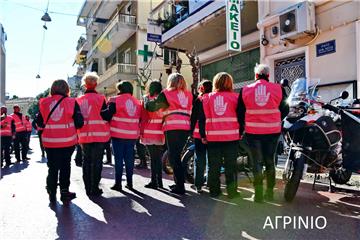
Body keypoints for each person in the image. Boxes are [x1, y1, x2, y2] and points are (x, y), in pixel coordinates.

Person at [238, 64, 289, 203]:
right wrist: (276, 119)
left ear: (255, 76)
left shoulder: (245, 90)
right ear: (268, 76)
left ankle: (258, 194)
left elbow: (240, 112)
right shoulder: (278, 89)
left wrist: (244, 125)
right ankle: (270, 193)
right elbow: (286, 109)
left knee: (256, 163)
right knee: (270, 161)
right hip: (272, 132)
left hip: (253, 132)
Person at [37, 79, 84, 203]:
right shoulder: (72, 102)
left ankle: (51, 191)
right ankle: (64, 192)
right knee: (65, 166)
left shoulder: (43, 102)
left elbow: (39, 122)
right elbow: (80, 123)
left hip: (49, 142)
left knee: (52, 167)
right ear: (66, 89)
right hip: (68, 142)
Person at [145, 73, 193, 194]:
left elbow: (153, 107)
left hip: (172, 127)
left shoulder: (166, 93)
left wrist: (146, 102)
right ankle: (178, 183)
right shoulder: (189, 94)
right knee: (176, 156)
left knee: (173, 157)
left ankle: (180, 186)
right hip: (185, 127)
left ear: (171, 81)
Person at [199, 72, 241, 199]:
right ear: (230, 83)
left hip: (213, 137)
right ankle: (232, 192)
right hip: (231, 137)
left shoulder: (206, 98)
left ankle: (214, 191)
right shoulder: (236, 98)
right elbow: (241, 117)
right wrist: (241, 132)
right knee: (231, 166)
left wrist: (202, 135)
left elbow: (202, 119)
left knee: (213, 166)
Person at [76, 72, 111, 196]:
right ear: (96, 84)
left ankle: (87, 188)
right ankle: (95, 188)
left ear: (85, 85)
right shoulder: (101, 98)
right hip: (100, 136)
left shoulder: (78, 100)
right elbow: (106, 116)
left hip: (84, 136)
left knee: (86, 162)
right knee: (97, 162)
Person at [108, 81, 142, 191]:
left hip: (117, 134)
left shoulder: (114, 100)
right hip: (132, 135)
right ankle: (130, 183)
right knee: (129, 159)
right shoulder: (137, 102)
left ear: (120, 89)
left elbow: (107, 115)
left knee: (118, 159)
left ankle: (118, 184)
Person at [140, 80, 165, 189]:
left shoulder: (146, 98)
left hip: (149, 131)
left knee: (152, 159)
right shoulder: (163, 98)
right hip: (161, 131)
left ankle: (153, 181)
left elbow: (143, 115)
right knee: (158, 159)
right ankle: (159, 182)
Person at [190, 80, 212, 193]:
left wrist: (190, 131)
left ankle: (198, 185)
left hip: (199, 134)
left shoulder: (199, 100)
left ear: (201, 88)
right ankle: (210, 183)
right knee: (211, 160)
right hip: (213, 133)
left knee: (200, 159)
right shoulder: (213, 98)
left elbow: (194, 117)